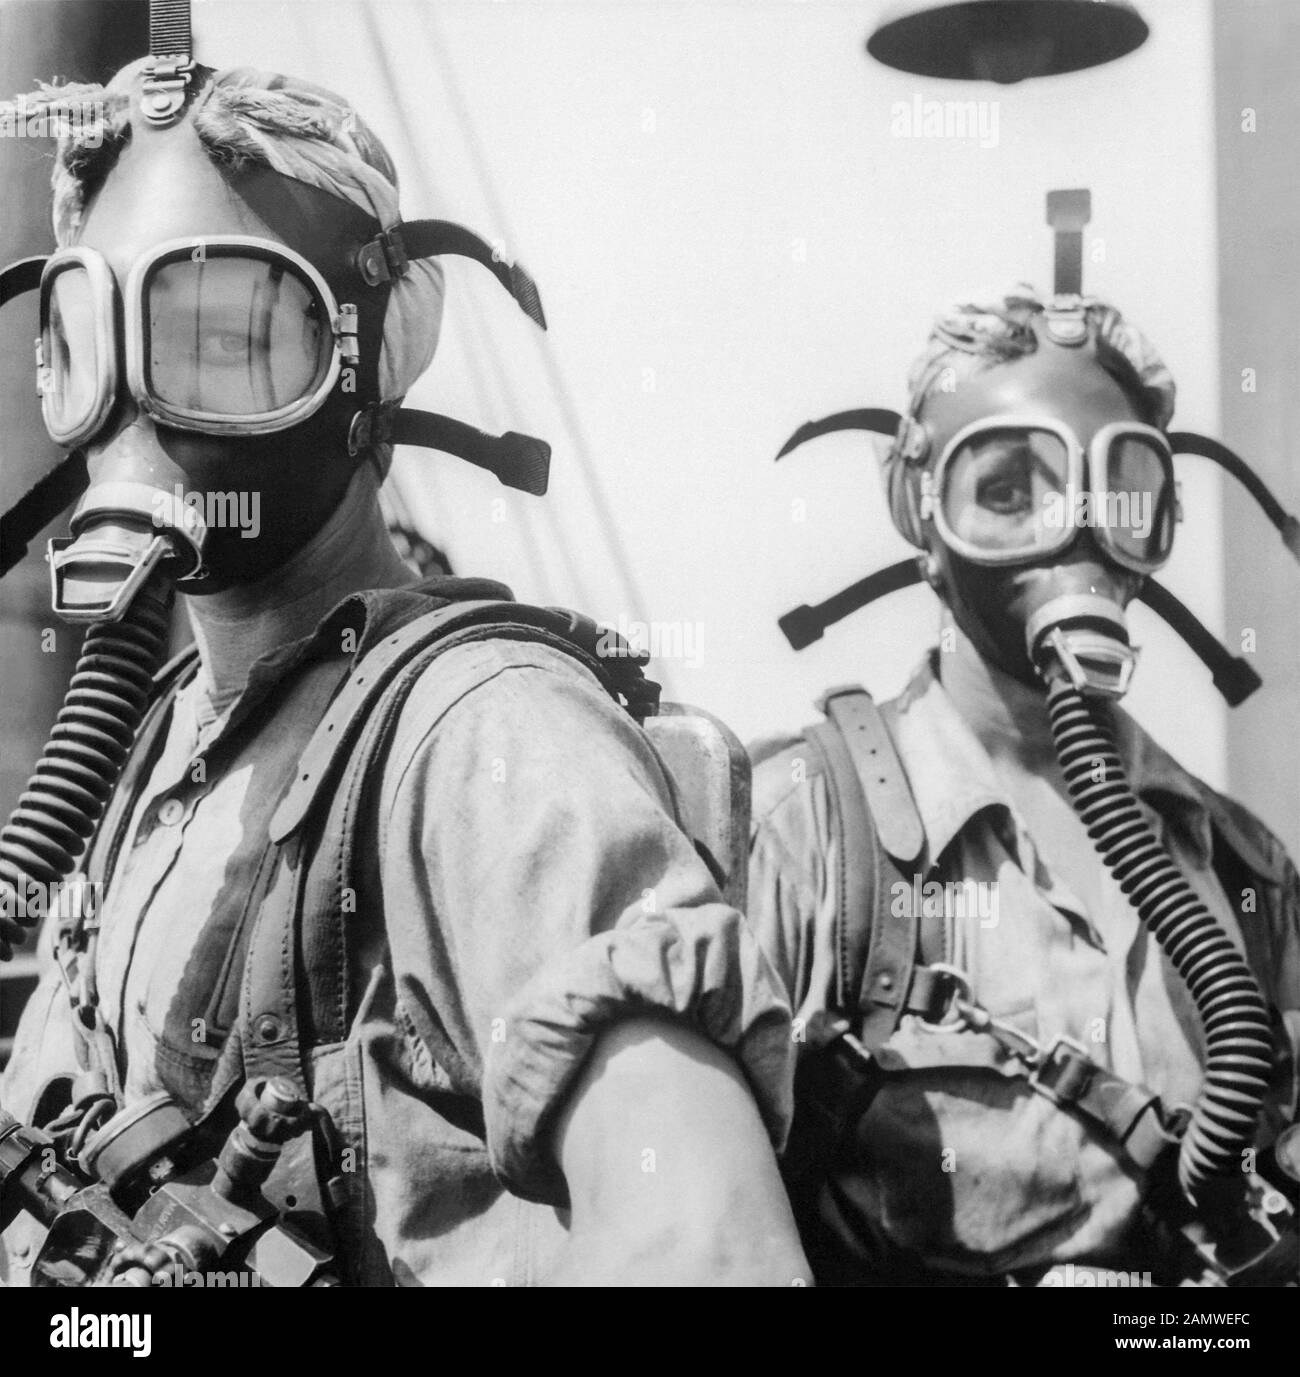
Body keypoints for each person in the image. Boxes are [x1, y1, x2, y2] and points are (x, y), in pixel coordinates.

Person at [0, 58, 807, 1286]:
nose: (141, 412)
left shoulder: (486, 739)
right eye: (91, 341)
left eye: (223, 337)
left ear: (372, 353)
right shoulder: (154, 760)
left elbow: (710, 1249)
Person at [748, 285, 1300, 1286]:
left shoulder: (1241, 865)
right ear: (922, 513)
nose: (1072, 534)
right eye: (1006, 492)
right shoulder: (809, 835)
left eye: (1115, 494)